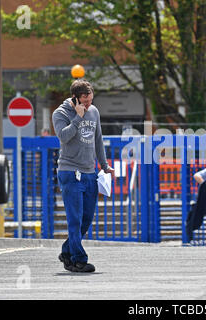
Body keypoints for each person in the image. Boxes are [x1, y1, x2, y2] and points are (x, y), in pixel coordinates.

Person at [52, 79, 115, 272]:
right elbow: (63, 137)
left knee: (87, 218)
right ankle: (79, 259)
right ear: (75, 98)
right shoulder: (60, 113)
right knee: (75, 218)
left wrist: (104, 166)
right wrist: (78, 117)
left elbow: (98, 139)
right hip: (70, 172)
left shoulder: (94, 112)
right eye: (85, 102)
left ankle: (66, 251)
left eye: (90, 101)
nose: (88, 105)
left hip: (90, 172)